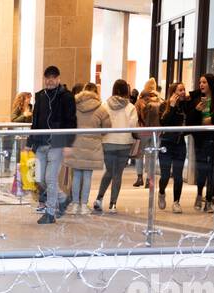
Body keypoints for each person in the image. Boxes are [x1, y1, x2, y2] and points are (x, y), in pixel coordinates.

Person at [29, 65, 77, 224]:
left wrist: (69, 143)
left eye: (53, 77)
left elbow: (71, 121)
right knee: (38, 178)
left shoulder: (67, 97)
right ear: (44, 79)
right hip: (40, 142)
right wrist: (30, 142)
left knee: (50, 178)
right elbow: (35, 121)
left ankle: (50, 213)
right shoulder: (40, 96)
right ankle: (63, 199)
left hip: (57, 142)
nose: (50, 80)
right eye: (47, 78)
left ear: (58, 79)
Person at [91, 80, 137, 214]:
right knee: (118, 174)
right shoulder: (131, 107)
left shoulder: (105, 105)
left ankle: (99, 199)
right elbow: (133, 126)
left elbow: (99, 122)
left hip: (108, 142)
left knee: (109, 171)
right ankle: (113, 204)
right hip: (124, 143)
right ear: (126, 91)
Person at [64, 83, 108, 215]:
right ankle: (84, 205)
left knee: (76, 175)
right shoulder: (101, 109)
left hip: (76, 144)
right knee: (87, 176)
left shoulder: (74, 106)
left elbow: (67, 124)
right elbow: (107, 127)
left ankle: (75, 204)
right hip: (93, 147)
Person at [187, 73, 214, 213]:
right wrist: (196, 111)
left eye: (204, 82)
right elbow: (190, 121)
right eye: (200, 82)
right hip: (200, 139)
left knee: (212, 170)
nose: (201, 85)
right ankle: (199, 194)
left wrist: (212, 120)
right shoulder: (195, 99)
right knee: (202, 170)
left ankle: (209, 199)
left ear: (210, 84)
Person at [155, 81, 189, 212]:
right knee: (165, 176)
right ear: (173, 93)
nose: (183, 92)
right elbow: (164, 123)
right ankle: (162, 192)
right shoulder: (164, 106)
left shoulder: (185, 106)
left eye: (184, 90)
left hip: (180, 144)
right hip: (166, 144)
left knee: (178, 176)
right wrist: (173, 107)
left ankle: (176, 202)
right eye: (180, 90)